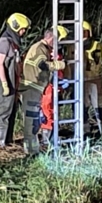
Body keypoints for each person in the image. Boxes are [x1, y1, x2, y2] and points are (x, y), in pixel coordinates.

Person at [21, 27, 66, 155]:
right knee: (31, 123)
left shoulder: (43, 48)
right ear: (52, 38)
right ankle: (31, 153)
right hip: (32, 88)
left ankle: (34, 151)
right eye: (58, 41)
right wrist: (60, 64)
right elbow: (43, 65)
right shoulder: (40, 48)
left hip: (36, 88)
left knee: (35, 121)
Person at [0, 13, 30, 148]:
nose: (24, 32)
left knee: (12, 109)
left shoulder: (14, 41)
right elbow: (0, 64)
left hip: (14, 80)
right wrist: (4, 84)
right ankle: (1, 142)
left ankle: (8, 140)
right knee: (4, 109)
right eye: (23, 29)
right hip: (6, 80)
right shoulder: (4, 41)